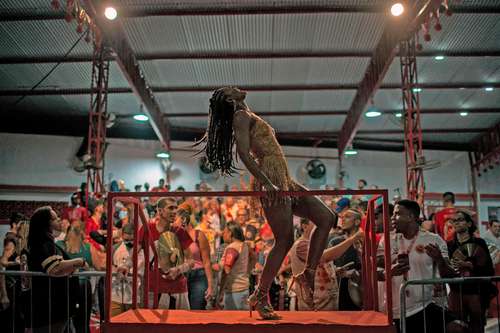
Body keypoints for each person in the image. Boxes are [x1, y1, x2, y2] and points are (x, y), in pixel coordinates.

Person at [196, 87, 337, 319]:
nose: (237, 86)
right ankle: (260, 295)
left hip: (283, 177)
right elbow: (243, 152)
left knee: (327, 217)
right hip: (271, 177)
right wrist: (266, 182)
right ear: (231, 98)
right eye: (231, 88)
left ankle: (307, 273)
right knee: (285, 239)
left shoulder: (247, 114)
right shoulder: (240, 117)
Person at [377, 200, 458, 333]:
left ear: (410, 217)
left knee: (456, 327)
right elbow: (376, 265)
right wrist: (389, 266)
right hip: (395, 310)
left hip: (425, 305)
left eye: (397, 214)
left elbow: (449, 274)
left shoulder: (434, 240)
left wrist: (439, 259)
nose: (392, 218)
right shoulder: (387, 239)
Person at [27, 206, 88, 333]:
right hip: (50, 308)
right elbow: (54, 268)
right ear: (46, 223)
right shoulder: (43, 243)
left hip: (58, 307)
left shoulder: (47, 242)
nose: (59, 220)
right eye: (55, 219)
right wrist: (79, 262)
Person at [289, 219, 363, 311]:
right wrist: (353, 238)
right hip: (314, 306)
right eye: (318, 225)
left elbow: (318, 266)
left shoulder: (313, 244)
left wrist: (334, 271)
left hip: (323, 303)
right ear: (305, 226)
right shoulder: (301, 245)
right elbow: (323, 257)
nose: (323, 228)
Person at [138, 197, 194, 310]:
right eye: (170, 208)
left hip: (177, 288)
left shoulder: (180, 232)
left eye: (176, 208)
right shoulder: (147, 229)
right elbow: (134, 252)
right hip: (153, 287)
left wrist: (179, 269)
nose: (174, 211)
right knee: (153, 325)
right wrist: (125, 265)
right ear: (160, 211)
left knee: (179, 325)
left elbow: (191, 261)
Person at [447, 210, 496, 333]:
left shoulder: (479, 242)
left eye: (460, 220)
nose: (457, 223)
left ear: (469, 224)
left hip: (476, 291)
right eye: (454, 221)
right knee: (457, 326)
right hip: (456, 291)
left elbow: (489, 268)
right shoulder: (449, 245)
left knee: (477, 326)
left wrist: (470, 265)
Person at [177, 202, 214, 310]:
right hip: (180, 276)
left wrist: (210, 286)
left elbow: (207, 262)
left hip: (198, 275)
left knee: (197, 309)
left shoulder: (198, 235)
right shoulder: (174, 236)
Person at [55, 226, 93, 333]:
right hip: (80, 286)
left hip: (67, 285)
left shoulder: (59, 246)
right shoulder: (87, 247)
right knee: (82, 320)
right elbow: (99, 265)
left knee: (64, 320)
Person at [329, 209, 364, 310]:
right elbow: (327, 265)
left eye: (347, 217)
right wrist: (335, 270)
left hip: (361, 287)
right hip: (339, 287)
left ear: (357, 222)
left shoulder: (365, 240)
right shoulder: (335, 241)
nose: (343, 219)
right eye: (342, 217)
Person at [215, 222, 255, 310]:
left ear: (230, 233)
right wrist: (247, 273)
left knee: (231, 321)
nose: (223, 235)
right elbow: (253, 258)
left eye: (224, 232)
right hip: (244, 288)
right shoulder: (244, 245)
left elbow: (226, 271)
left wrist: (221, 291)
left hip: (233, 292)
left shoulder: (232, 248)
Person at [111, 223, 144, 316]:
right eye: (126, 240)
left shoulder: (142, 250)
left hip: (135, 295)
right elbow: (110, 266)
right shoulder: (115, 248)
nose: (129, 242)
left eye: (132, 240)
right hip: (116, 294)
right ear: (122, 236)